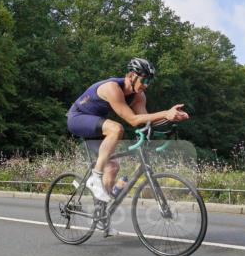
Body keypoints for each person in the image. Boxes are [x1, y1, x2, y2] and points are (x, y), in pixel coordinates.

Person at [66, 58, 189, 203]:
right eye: (144, 81)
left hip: (97, 125)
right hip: (77, 118)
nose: (146, 85)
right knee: (117, 129)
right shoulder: (112, 88)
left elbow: (144, 120)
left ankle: (100, 215)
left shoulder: (139, 96)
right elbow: (132, 119)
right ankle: (95, 177)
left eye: (149, 82)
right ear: (131, 76)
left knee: (112, 167)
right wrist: (165, 112)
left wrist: (171, 118)